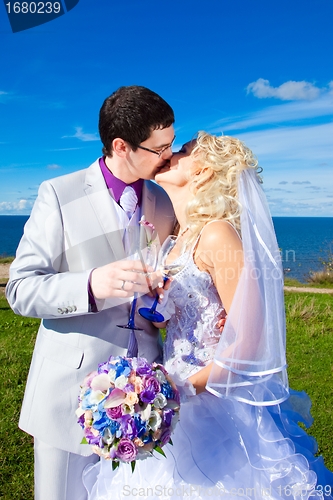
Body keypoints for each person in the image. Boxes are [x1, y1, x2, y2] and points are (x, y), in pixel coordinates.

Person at [82, 132, 333, 499]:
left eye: (183, 151)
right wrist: (158, 302)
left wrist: (180, 390)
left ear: (202, 173)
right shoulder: (176, 240)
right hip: (172, 392)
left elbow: (250, 343)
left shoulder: (217, 235)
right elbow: (174, 321)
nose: (170, 154)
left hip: (213, 402)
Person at [5, 85, 177, 500]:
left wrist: (165, 296)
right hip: (69, 394)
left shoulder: (164, 200)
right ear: (121, 146)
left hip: (148, 400)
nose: (169, 157)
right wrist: (90, 284)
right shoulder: (58, 195)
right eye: (160, 149)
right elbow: (21, 288)